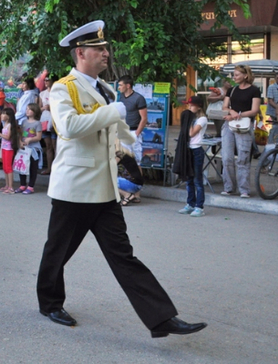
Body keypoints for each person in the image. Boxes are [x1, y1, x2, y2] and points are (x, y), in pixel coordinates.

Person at [36, 19, 206, 338]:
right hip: (74, 187)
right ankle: (50, 303)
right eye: (99, 49)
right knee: (57, 250)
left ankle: (161, 318)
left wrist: (128, 140)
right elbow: (69, 127)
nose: (106, 53)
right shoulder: (64, 88)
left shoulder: (106, 89)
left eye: (105, 48)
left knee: (123, 256)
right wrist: (113, 112)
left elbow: (113, 128)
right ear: (80, 53)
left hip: (104, 188)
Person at [220, 64, 261, 198]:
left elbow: (254, 110)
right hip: (229, 125)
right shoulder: (232, 90)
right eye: (234, 74)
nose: (234, 77)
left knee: (243, 158)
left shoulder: (254, 90)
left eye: (237, 75)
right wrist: (231, 111)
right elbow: (224, 106)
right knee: (226, 157)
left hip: (244, 126)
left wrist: (238, 115)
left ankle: (244, 189)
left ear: (245, 76)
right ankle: (229, 187)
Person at [177, 96, 207, 217]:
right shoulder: (192, 117)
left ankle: (199, 206)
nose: (189, 107)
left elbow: (191, 133)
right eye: (188, 105)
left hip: (197, 150)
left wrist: (188, 120)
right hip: (188, 150)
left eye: (192, 105)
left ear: (198, 106)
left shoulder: (202, 119)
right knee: (189, 179)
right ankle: (190, 203)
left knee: (197, 180)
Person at [117, 75, 148, 165]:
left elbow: (144, 118)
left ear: (128, 85)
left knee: (136, 162)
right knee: (124, 159)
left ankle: (138, 174)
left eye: (121, 85)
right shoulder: (121, 97)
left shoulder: (138, 98)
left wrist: (137, 133)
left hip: (133, 131)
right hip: (123, 132)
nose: (119, 87)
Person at [16, 103, 43, 194]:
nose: (27, 111)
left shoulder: (37, 123)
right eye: (26, 109)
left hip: (34, 148)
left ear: (35, 111)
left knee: (32, 168)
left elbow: (39, 137)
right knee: (22, 166)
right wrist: (20, 141)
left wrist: (30, 139)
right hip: (24, 147)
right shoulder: (24, 121)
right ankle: (22, 184)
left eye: (29, 109)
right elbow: (20, 133)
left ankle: (31, 186)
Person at [0, 107, 19, 194]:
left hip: (9, 148)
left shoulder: (10, 125)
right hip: (4, 147)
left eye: (4, 114)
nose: (1, 115)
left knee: (8, 167)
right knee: (5, 167)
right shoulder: (5, 124)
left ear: (9, 116)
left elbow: (7, 137)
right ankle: (7, 185)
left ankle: (11, 187)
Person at [39, 76, 57, 175]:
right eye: (44, 80)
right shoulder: (42, 93)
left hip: (54, 121)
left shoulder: (57, 93)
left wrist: (51, 108)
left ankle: (57, 169)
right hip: (44, 121)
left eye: (48, 80)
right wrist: (44, 108)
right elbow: (38, 108)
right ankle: (49, 168)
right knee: (48, 146)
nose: (45, 82)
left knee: (55, 147)